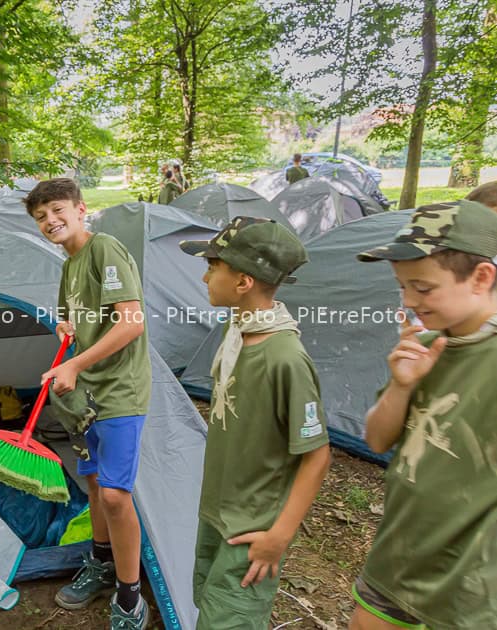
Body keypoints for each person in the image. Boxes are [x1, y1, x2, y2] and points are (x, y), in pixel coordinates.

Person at [349, 200, 497, 629]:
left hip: (468, 587)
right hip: (396, 559)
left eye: (424, 288)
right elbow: (377, 440)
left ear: (482, 277)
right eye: (402, 287)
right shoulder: (427, 345)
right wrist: (402, 385)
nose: (410, 300)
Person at [179, 217, 331, 629]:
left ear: (243, 282)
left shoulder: (285, 358)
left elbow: (316, 456)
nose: (206, 276)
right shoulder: (237, 333)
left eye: (213, 267)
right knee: (210, 608)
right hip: (219, 511)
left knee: (232, 619)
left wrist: (278, 537)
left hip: (253, 529)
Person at [25, 178, 152, 629]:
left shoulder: (105, 250)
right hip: (87, 398)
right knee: (96, 485)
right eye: (40, 217)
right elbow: (72, 318)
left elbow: (131, 323)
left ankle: (131, 594)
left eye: (58, 210)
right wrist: (67, 331)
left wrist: (74, 365)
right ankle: (101, 564)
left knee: (117, 495)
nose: (50, 221)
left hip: (119, 392)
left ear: (81, 210)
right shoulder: (70, 264)